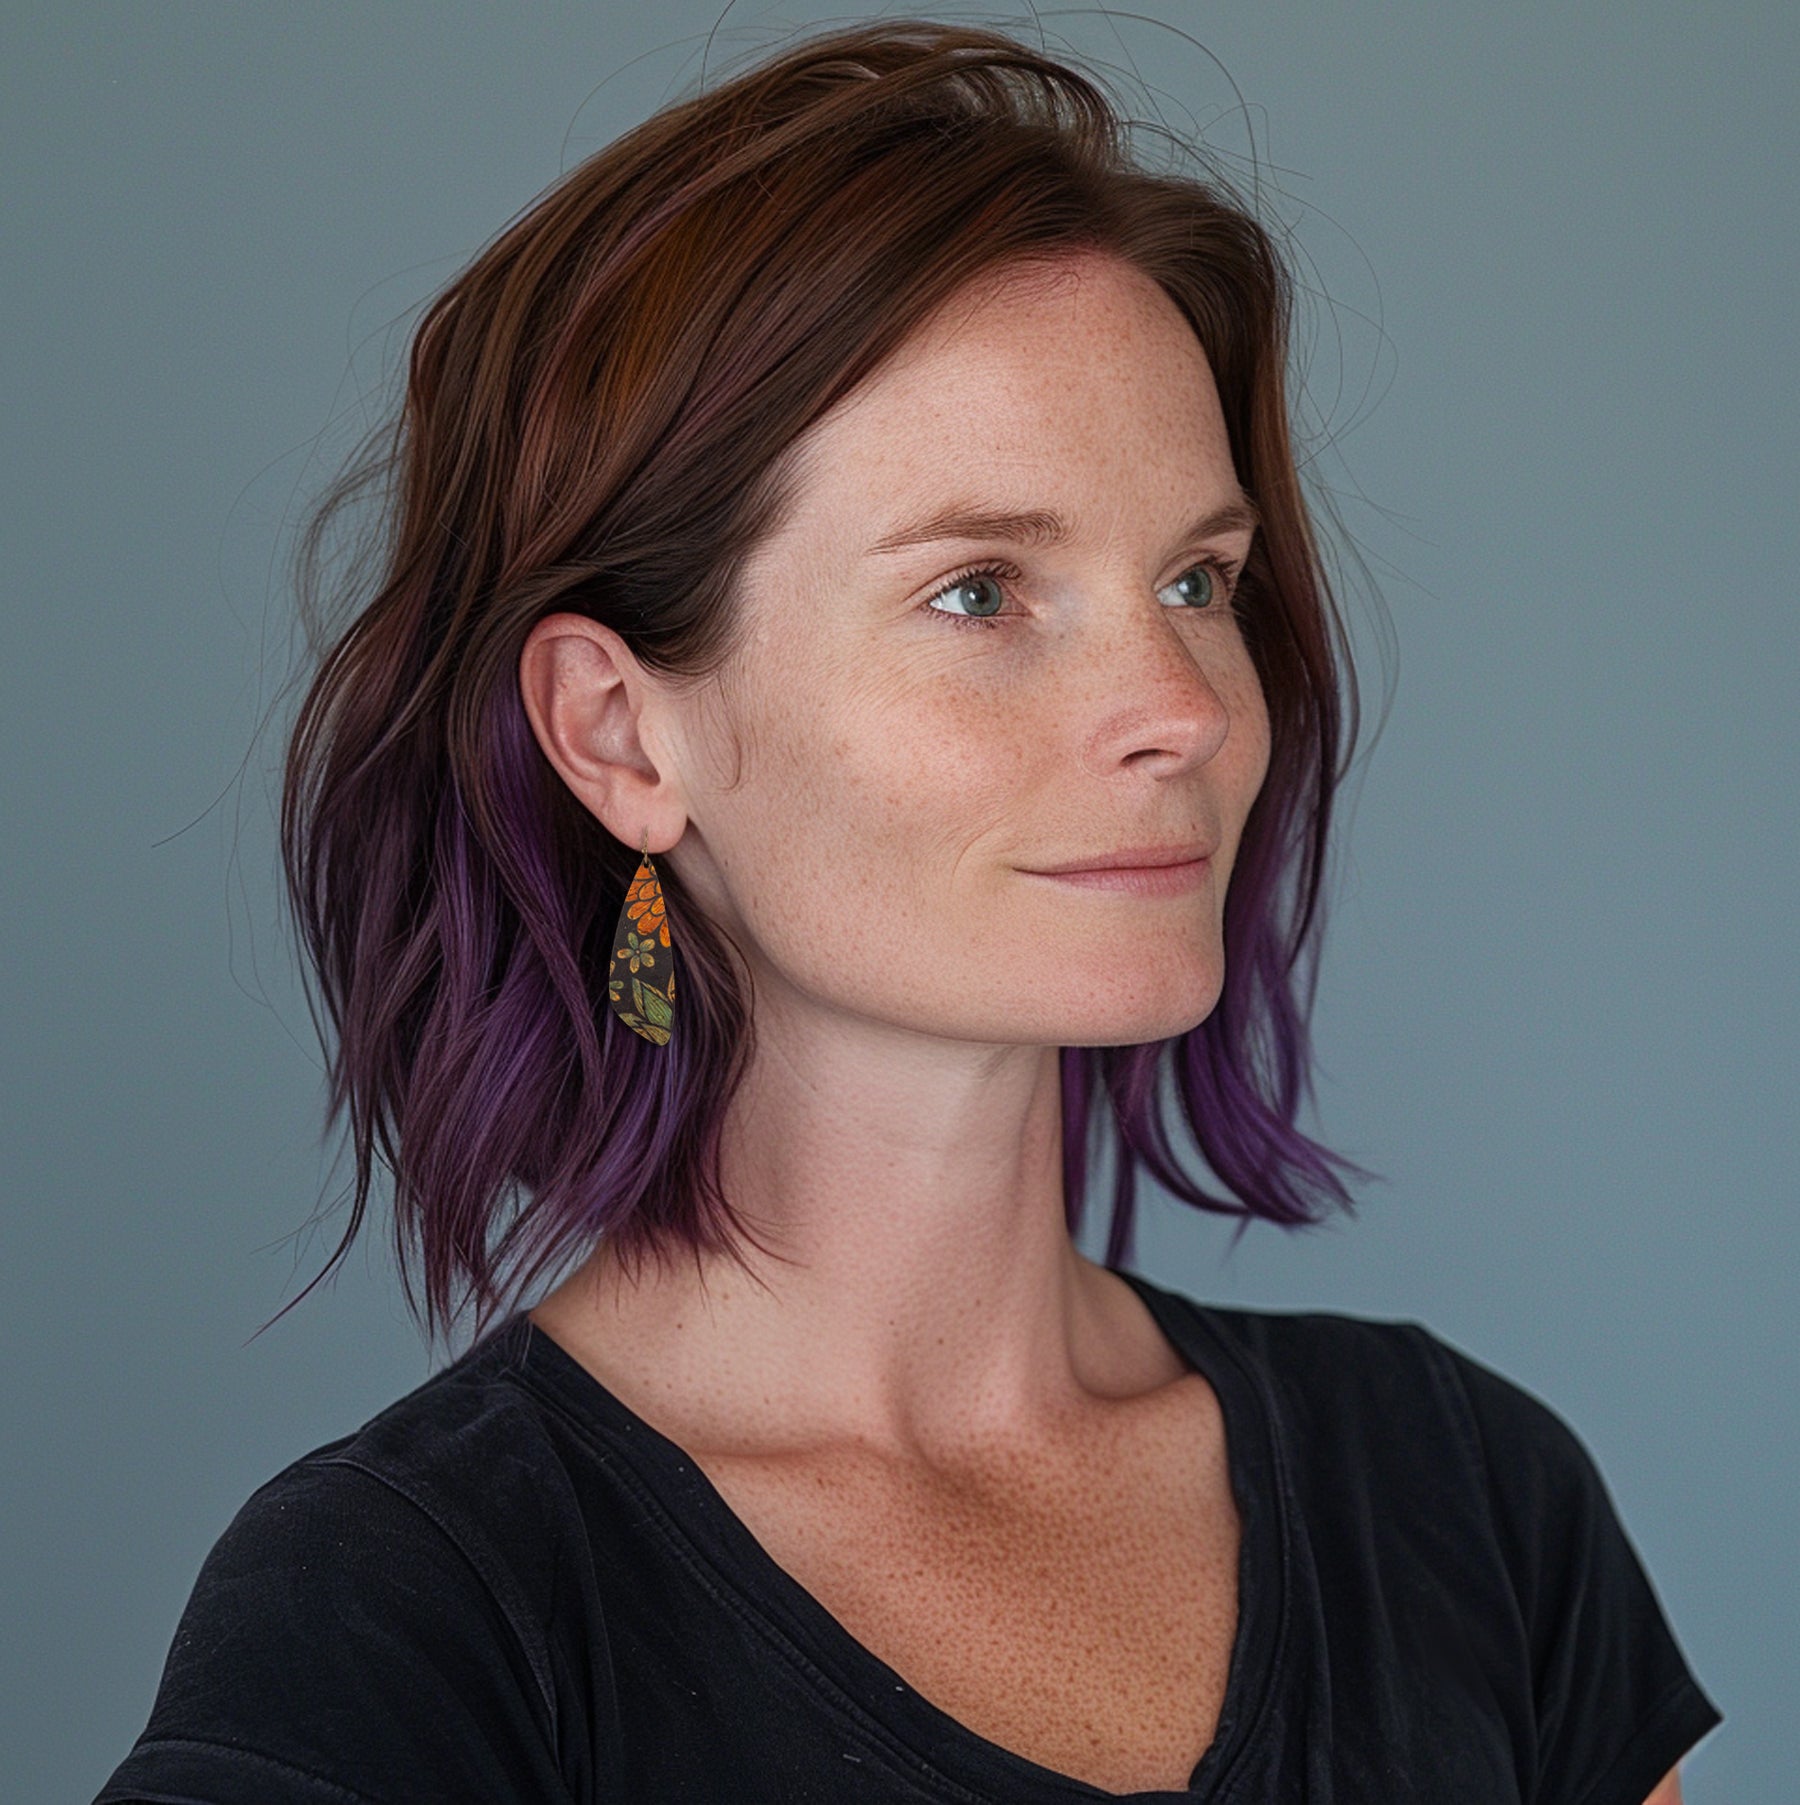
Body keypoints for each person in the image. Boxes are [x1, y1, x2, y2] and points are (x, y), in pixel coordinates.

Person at [96, 19, 1721, 1803]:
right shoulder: (411, 1616)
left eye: (1198, 576)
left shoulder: (1469, 1497)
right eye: (979, 592)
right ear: (622, 735)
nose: (1181, 701)